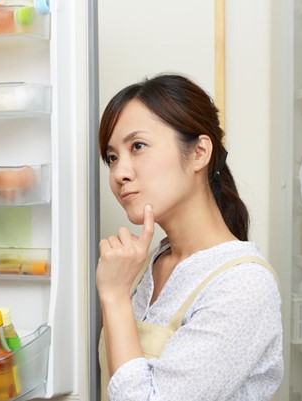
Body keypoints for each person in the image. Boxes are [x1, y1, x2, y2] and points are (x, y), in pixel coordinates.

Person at [96, 73, 283, 401]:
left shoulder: (243, 286)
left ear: (199, 152)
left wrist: (113, 297)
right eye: (112, 158)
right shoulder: (145, 265)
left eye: (137, 146)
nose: (119, 173)